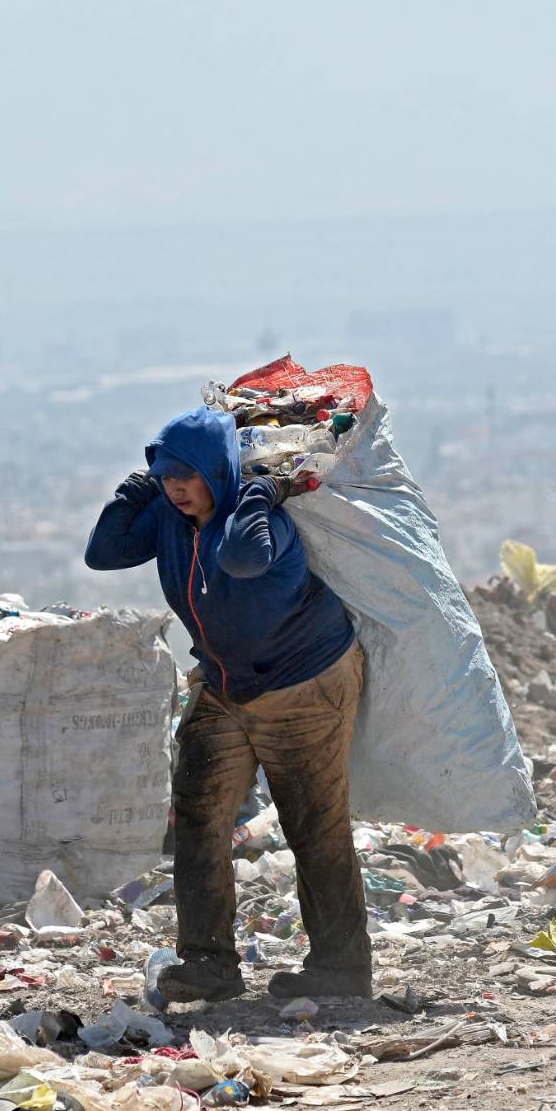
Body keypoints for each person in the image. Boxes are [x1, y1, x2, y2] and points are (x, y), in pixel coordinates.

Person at [84, 407, 371, 1003]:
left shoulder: (261, 518)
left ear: (219, 471)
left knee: (312, 824)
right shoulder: (168, 514)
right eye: (166, 477)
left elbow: (242, 559)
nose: (176, 489)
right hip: (225, 681)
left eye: (187, 476)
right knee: (196, 819)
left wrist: (258, 493)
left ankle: (341, 969)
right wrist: (136, 488)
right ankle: (209, 962)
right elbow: (104, 552)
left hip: (303, 681)